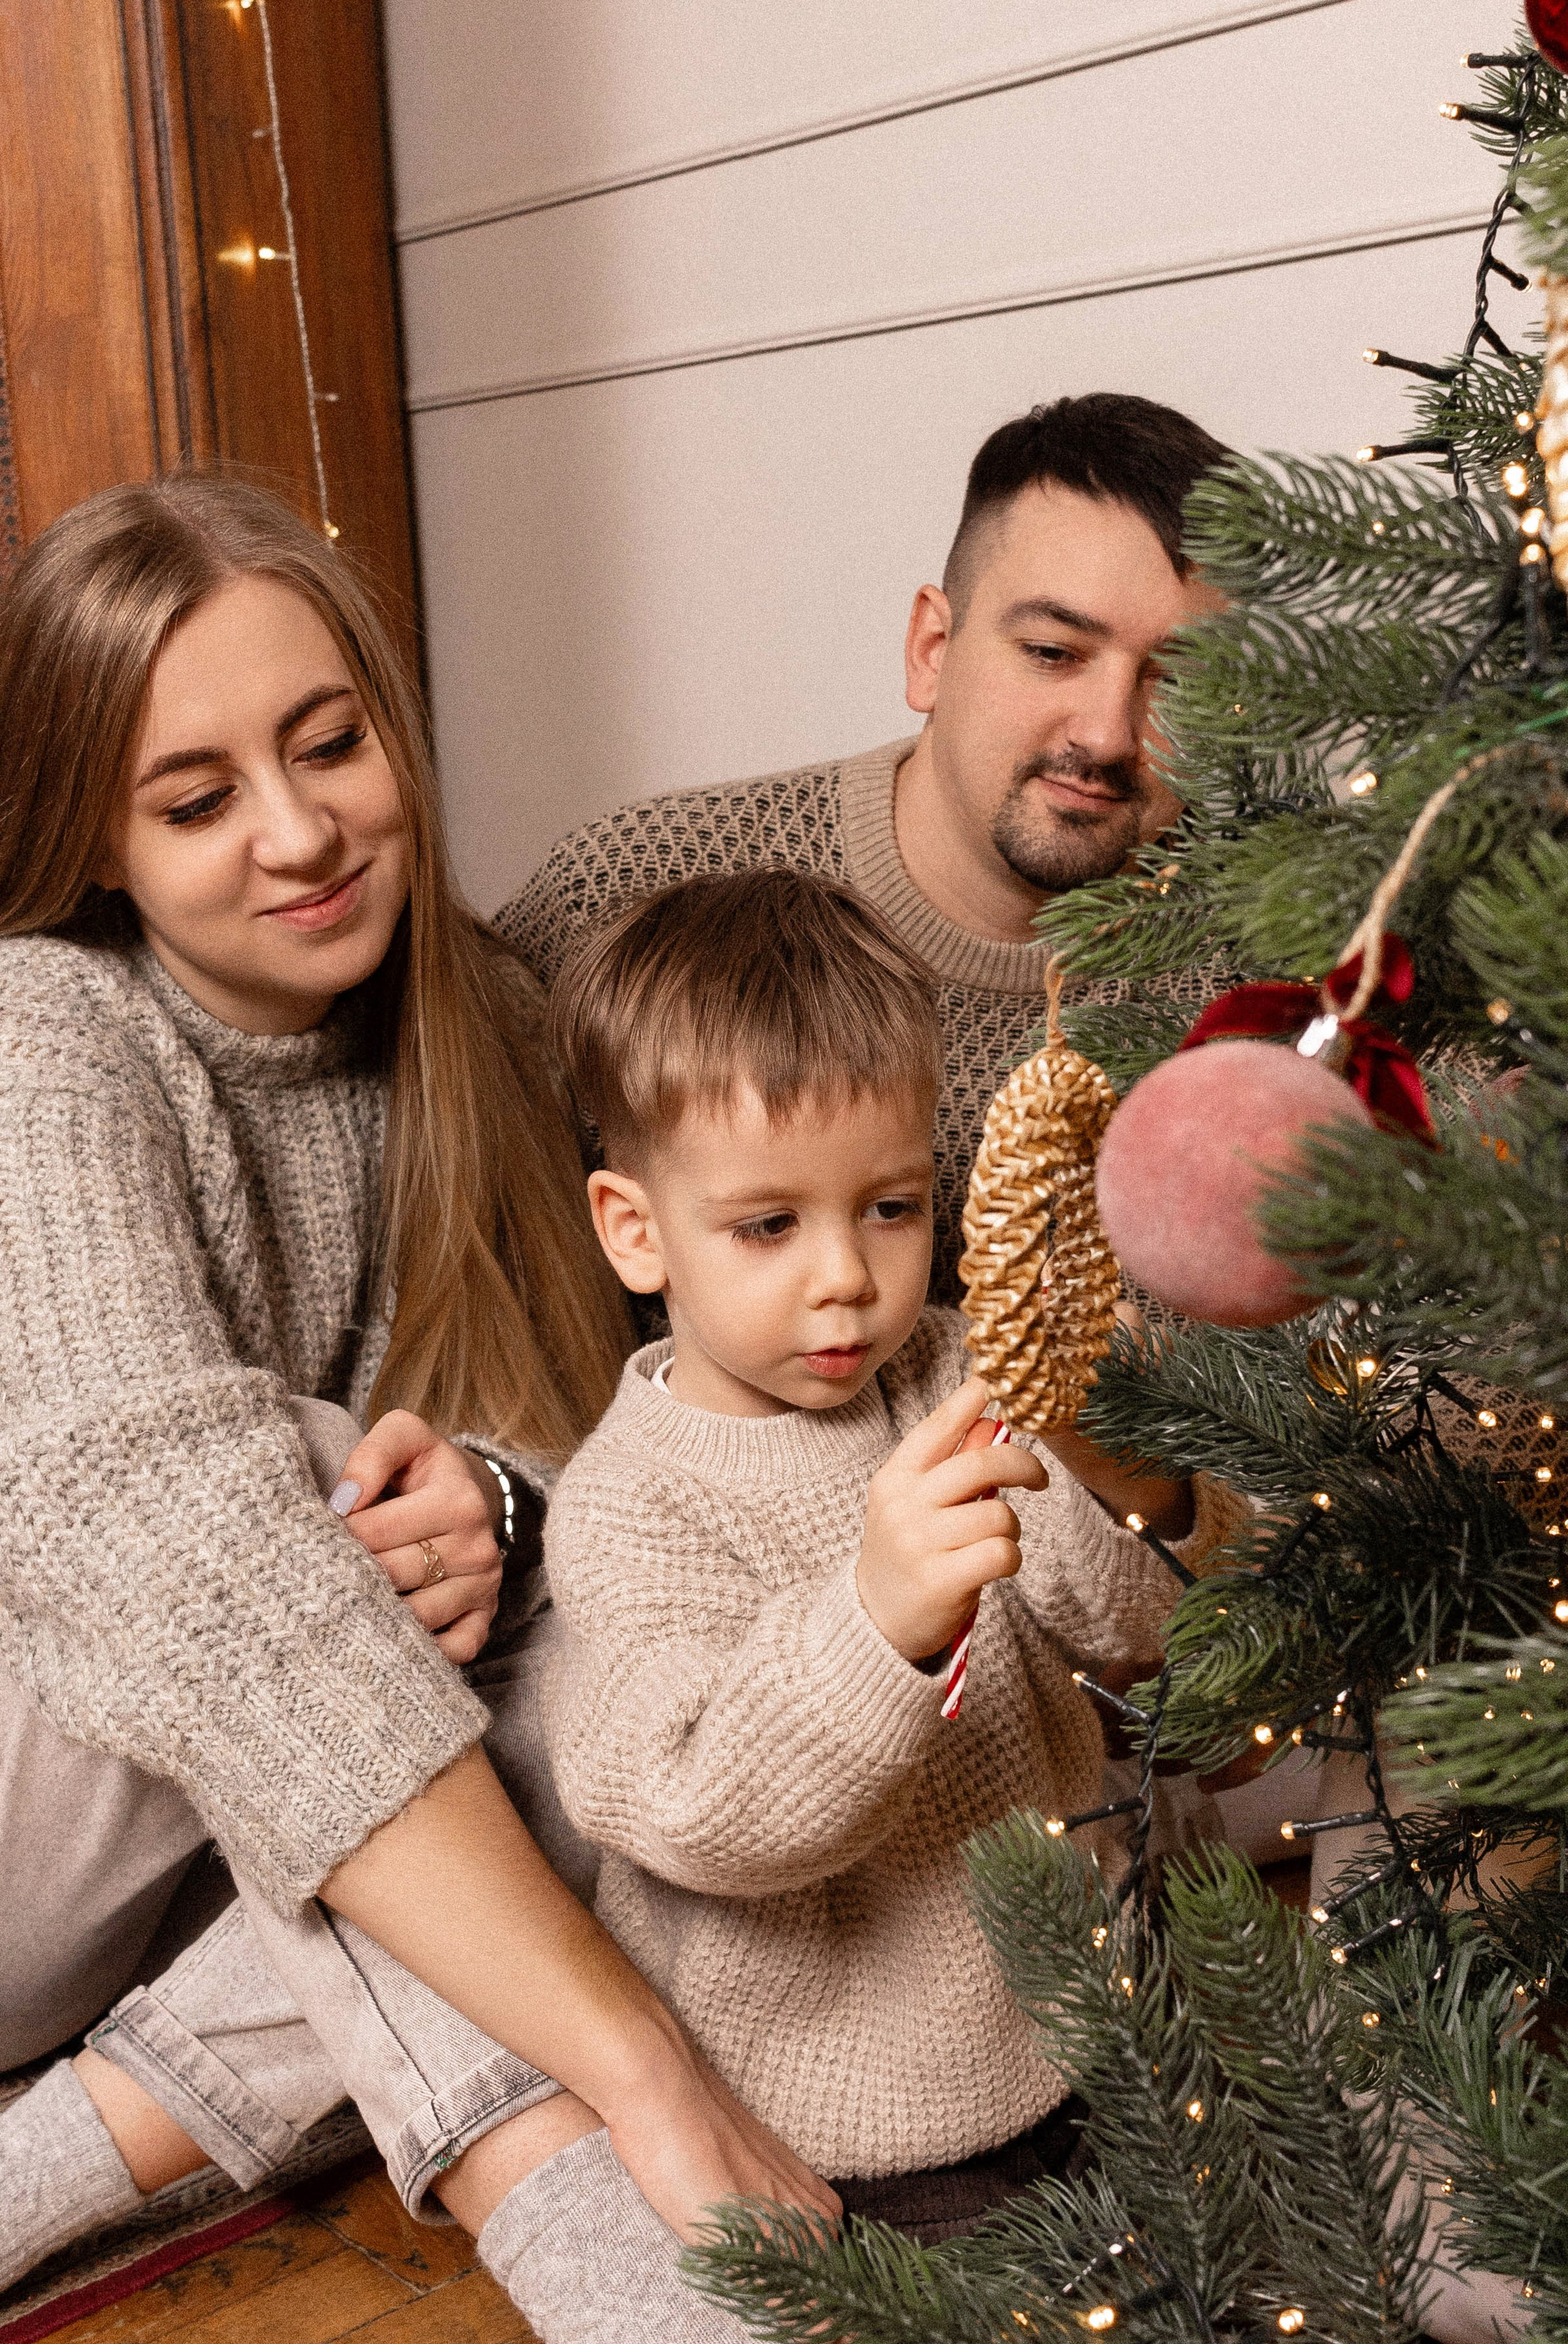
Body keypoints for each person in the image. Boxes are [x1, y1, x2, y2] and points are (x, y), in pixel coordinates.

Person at [0, 474, 833, 2344]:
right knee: (302, 1501)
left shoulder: (480, 1013)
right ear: (95, 836)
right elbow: (189, 1570)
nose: (301, 831)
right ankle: (600, 2243)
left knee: (602, 1687)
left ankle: (1, 2204)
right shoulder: (23, 1032)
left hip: (178, 1885)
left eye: (330, 746)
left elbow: (639, 1437)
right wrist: (642, 2060)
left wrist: (502, 1501)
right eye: (199, 798)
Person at [538, 870, 1238, 2244]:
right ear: (637, 1230)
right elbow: (695, 1817)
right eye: (766, 1226)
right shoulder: (628, 1504)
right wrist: (877, 1626)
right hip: (856, 2133)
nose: (845, 1277)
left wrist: (1112, 1475)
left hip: (1093, 2023)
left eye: (889, 1208)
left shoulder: (956, 1377)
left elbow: (1144, 1638)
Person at [498, 392, 1233, 1296]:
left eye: (1179, 681)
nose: (1111, 733)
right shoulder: (627, 889)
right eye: (1053, 652)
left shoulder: (1294, 970)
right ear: (932, 648)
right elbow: (459, 1260)